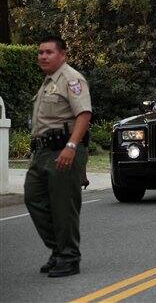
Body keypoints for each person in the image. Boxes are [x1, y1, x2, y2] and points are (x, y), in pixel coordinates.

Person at [24, 36, 92, 277]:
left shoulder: (71, 79)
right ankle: (58, 249)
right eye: (40, 52)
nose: (43, 56)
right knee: (34, 198)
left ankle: (69, 257)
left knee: (64, 206)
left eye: (49, 52)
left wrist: (72, 146)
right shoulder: (47, 82)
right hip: (43, 152)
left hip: (64, 150)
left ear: (62, 55)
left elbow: (84, 114)